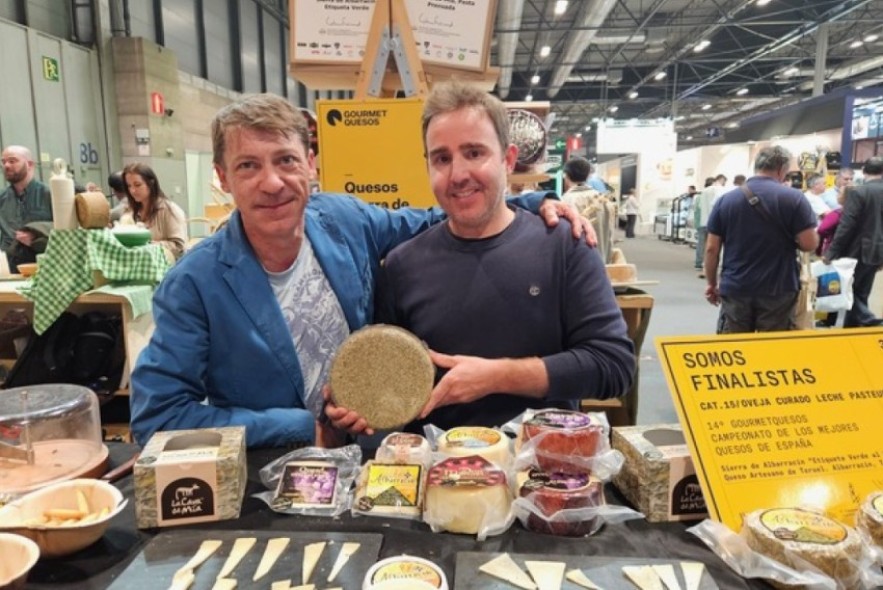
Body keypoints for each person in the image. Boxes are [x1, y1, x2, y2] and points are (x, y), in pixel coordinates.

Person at [129, 93, 595, 450]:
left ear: (310, 165)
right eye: (248, 166)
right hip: (272, 474)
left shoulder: (342, 221)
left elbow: (437, 214)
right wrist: (306, 427)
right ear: (223, 177)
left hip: (376, 460)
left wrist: (532, 203)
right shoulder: (194, 284)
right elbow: (160, 416)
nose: (272, 183)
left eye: (286, 160)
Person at [325, 80, 635, 437]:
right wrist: (359, 407)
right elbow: (389, 383)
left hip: (542, 477)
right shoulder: (401, 266)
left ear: (508, 159)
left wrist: (496, 377)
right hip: (438, 477)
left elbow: (614, 366)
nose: (458, 175)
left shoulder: (565, 244)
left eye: (474, 153)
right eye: (442, 158)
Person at [703, 146, 818, 333]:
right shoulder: (795, 199)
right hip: (779, 287)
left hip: (736, 285)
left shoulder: (726, 200)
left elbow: (711, 249)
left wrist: (711, 283)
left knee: (734, 350)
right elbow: (809, 244)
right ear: (781, 169)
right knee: (771, 351)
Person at [823, 156, 883, 327]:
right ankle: (854, 328)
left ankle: (869, 319)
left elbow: (846, 226)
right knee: (862, 292)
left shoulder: (858, 192)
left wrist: (832, 252)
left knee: (848, 290)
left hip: (855, 251)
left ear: (863, 171)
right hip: (877, 250)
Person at [0, 145, 53, 273]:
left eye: (12, 161)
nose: (6, 166)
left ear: (29, 164)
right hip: (9, 270)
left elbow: (68, 230)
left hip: (44, 268)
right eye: (3, 162)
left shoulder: (50, 194)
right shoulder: (2, 198)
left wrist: (37, 234)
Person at [120, 163, 188, 260]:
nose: (133, 191)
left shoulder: (169, 210)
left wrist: (149, 246)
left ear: (151, 183)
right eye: (129, 186)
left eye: (138, 185)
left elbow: (179, 246)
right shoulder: (130, 212)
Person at [561, 156, 614, 262]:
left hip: (578, 267)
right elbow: (610, 235)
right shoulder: (604, 200)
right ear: (587, 176)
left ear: (566, 176)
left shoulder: (565, 201)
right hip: (602, 264)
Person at [694, 174, 727, 278]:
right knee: (717, 247)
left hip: (704, 221)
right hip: (716, 222)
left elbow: (698, 207)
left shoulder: (702, 193)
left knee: (706, 246)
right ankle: (718, 268)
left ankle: (703, 267)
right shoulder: (720, 191)